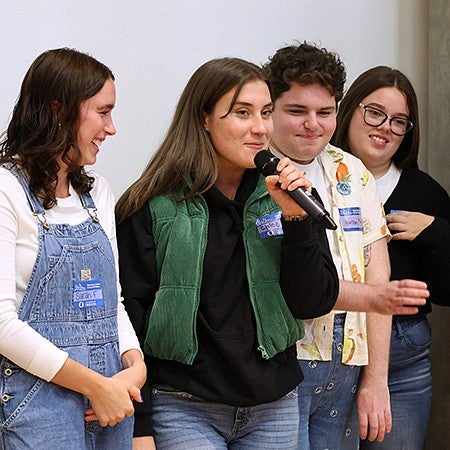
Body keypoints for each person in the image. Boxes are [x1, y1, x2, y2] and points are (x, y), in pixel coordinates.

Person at [115, 56, 340, 449]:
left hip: (274, 405)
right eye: (242, 113)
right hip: (185, 405)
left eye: (266, 112)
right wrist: (141, 425)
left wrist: (296, 221)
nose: (259, 128)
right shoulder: (151, 204)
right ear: (204, 118)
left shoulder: (287, 196)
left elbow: (314, 302)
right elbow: (129, 318)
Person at [263, 42, 430, 449]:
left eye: (324, 112)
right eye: (297, 111)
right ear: (271, 110)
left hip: (347, 360)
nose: (312, 125)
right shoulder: (250, 172)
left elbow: (378, 274)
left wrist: (375, 379)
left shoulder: (351, 171)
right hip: (281, 358)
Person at [0, 48, 147, 449]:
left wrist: (134, 364)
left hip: (111, 401)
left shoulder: (98, 192)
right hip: (36, 406)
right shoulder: (6, 190)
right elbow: (2, 326)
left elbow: (110, 302)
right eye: (102, 112)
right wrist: (94, 385)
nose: (111, 128)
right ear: (58, 111)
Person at [332, 65, 450, 450]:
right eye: (375, 113)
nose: (384, 127)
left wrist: (433, 232)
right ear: (349, 109)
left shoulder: (423, 191)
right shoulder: (313, 177)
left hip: (402, 357)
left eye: (399, 121)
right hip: (323, 349)